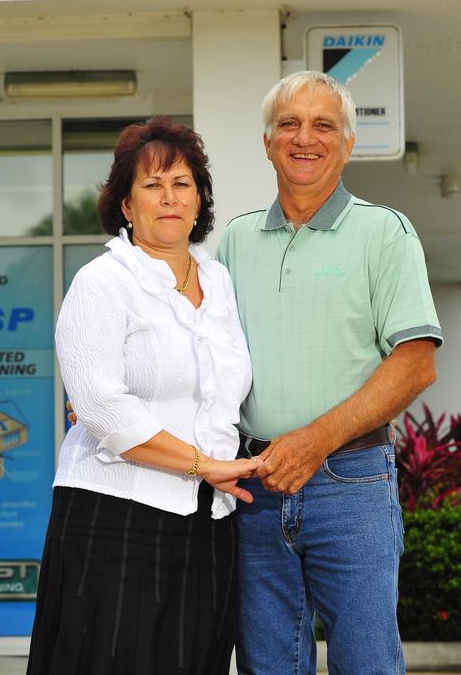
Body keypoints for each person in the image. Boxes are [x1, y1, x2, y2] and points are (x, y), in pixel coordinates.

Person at [217, 70, 442, 675]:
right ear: (267, 142)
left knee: (366, 662)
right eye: (288, 123)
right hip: (255, 484)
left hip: (352, 482)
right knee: (267, 665)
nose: (304, 137)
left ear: (347, 144)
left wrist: (315, 442)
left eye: (323, 125)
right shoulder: (235, 240)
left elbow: (416, 364)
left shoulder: (384, 232)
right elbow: (199, 354)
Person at [26, 116, 257, 675]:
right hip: (114, 516)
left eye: (182, 184)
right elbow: (103, 407)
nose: (169, 198)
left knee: (196, 660)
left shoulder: (221, 282)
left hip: (211, 520)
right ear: (126, 207)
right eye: (151, 186)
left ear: (200, 200)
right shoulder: (103, 281)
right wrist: (205, 464)